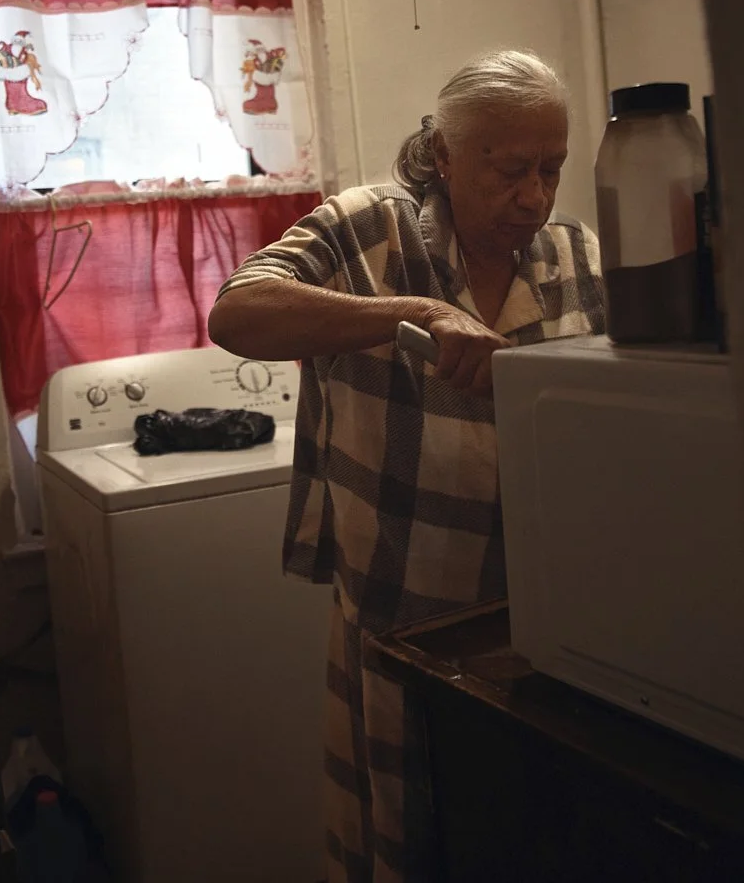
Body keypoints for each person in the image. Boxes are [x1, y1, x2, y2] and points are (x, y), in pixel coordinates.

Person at [209, 49, 606, 882]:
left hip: (548, 619)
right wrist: (416, 313)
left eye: (551, 169)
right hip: (402, 606)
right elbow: (239, 312)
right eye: (507, 171)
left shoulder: (575, 254)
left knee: (536, 837)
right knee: (409, 833)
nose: (533, 197)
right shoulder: (369, 227)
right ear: (444, 155)